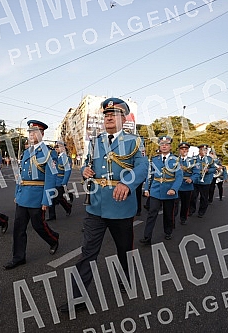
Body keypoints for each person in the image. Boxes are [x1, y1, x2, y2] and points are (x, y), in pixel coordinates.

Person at [59, 97, 148, 313]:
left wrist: (127, 183)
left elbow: (143, 167)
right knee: (88, 252)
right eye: (106, 115)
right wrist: (85, 172)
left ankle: (125, 277)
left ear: (123, 118)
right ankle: (77, 298)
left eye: (113, 115)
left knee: (123, 250)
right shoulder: (96, 142)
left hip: (121, 204)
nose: (108, 118)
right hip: (96, 206)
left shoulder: (134, 141)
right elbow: (89, 165)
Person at [4, 120, 60, 270]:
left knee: (38, 226)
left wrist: (46, 200)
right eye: (30, 132)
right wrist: (17, 193)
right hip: (23, 196)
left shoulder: (48, 153)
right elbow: (21, 176)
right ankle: (18, 257)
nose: (31, 134)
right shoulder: (27, 152)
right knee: (19, 228)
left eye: (35, 132)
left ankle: (54, 239)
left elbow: (50, 177)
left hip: (37, 196)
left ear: (42, 134)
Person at [140, 136, 182, 243]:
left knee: (168, 214)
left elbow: (179, 177)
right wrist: (146, 189)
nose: (164, 146)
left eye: (166, 144)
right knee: (151, 213)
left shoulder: (176, 160)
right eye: (162, 144)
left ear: (170, 147)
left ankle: (168, 232)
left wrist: (174, 189)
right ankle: (147, 237)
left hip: (169, 191)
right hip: (155, 190)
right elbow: (150, 175)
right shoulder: (154, 159)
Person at [47, 140, 72, 221]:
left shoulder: (66, 158)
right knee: (51, 198)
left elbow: (67, 171)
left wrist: (64, 183)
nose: (57, 148)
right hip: (53, 181)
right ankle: (52, 216)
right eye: (56, 147)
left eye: (59, 146)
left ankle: (68, 207)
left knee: (58, 198)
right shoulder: (55, 157)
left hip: (60, 181)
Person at [189, 144, 216, 218]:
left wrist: (208, 170)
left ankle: (201, 211)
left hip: (205, 181)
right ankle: (191, 210)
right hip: (195, 180)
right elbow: (190, 168)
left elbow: (214, 168)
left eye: (206, 150)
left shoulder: (210, 159)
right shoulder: (194, 159)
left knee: (204, 197)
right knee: (193, 196)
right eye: (203, 150)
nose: (205, 151)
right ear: (199, 150)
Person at [176, 142, 199, 225]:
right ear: (179, 150)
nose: (184, 151)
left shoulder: (192, 161)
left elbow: (196, 172)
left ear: (188, 150)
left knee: (185, 204)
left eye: (186, 149)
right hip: (176, 185)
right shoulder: (174, 160)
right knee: (174, 204)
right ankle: (173, 219)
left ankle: (183, 218)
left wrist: (191, 179)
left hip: (187, 185)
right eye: (182, 149)